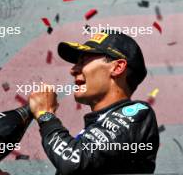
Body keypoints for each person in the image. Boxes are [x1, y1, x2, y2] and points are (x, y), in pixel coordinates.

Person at [28, 30, 160, 175]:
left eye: (83, 61)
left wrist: (46, 116)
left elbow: (73, 161)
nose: (73, 70)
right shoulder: (91, 137)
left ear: (117, 67)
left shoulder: (139, 113)